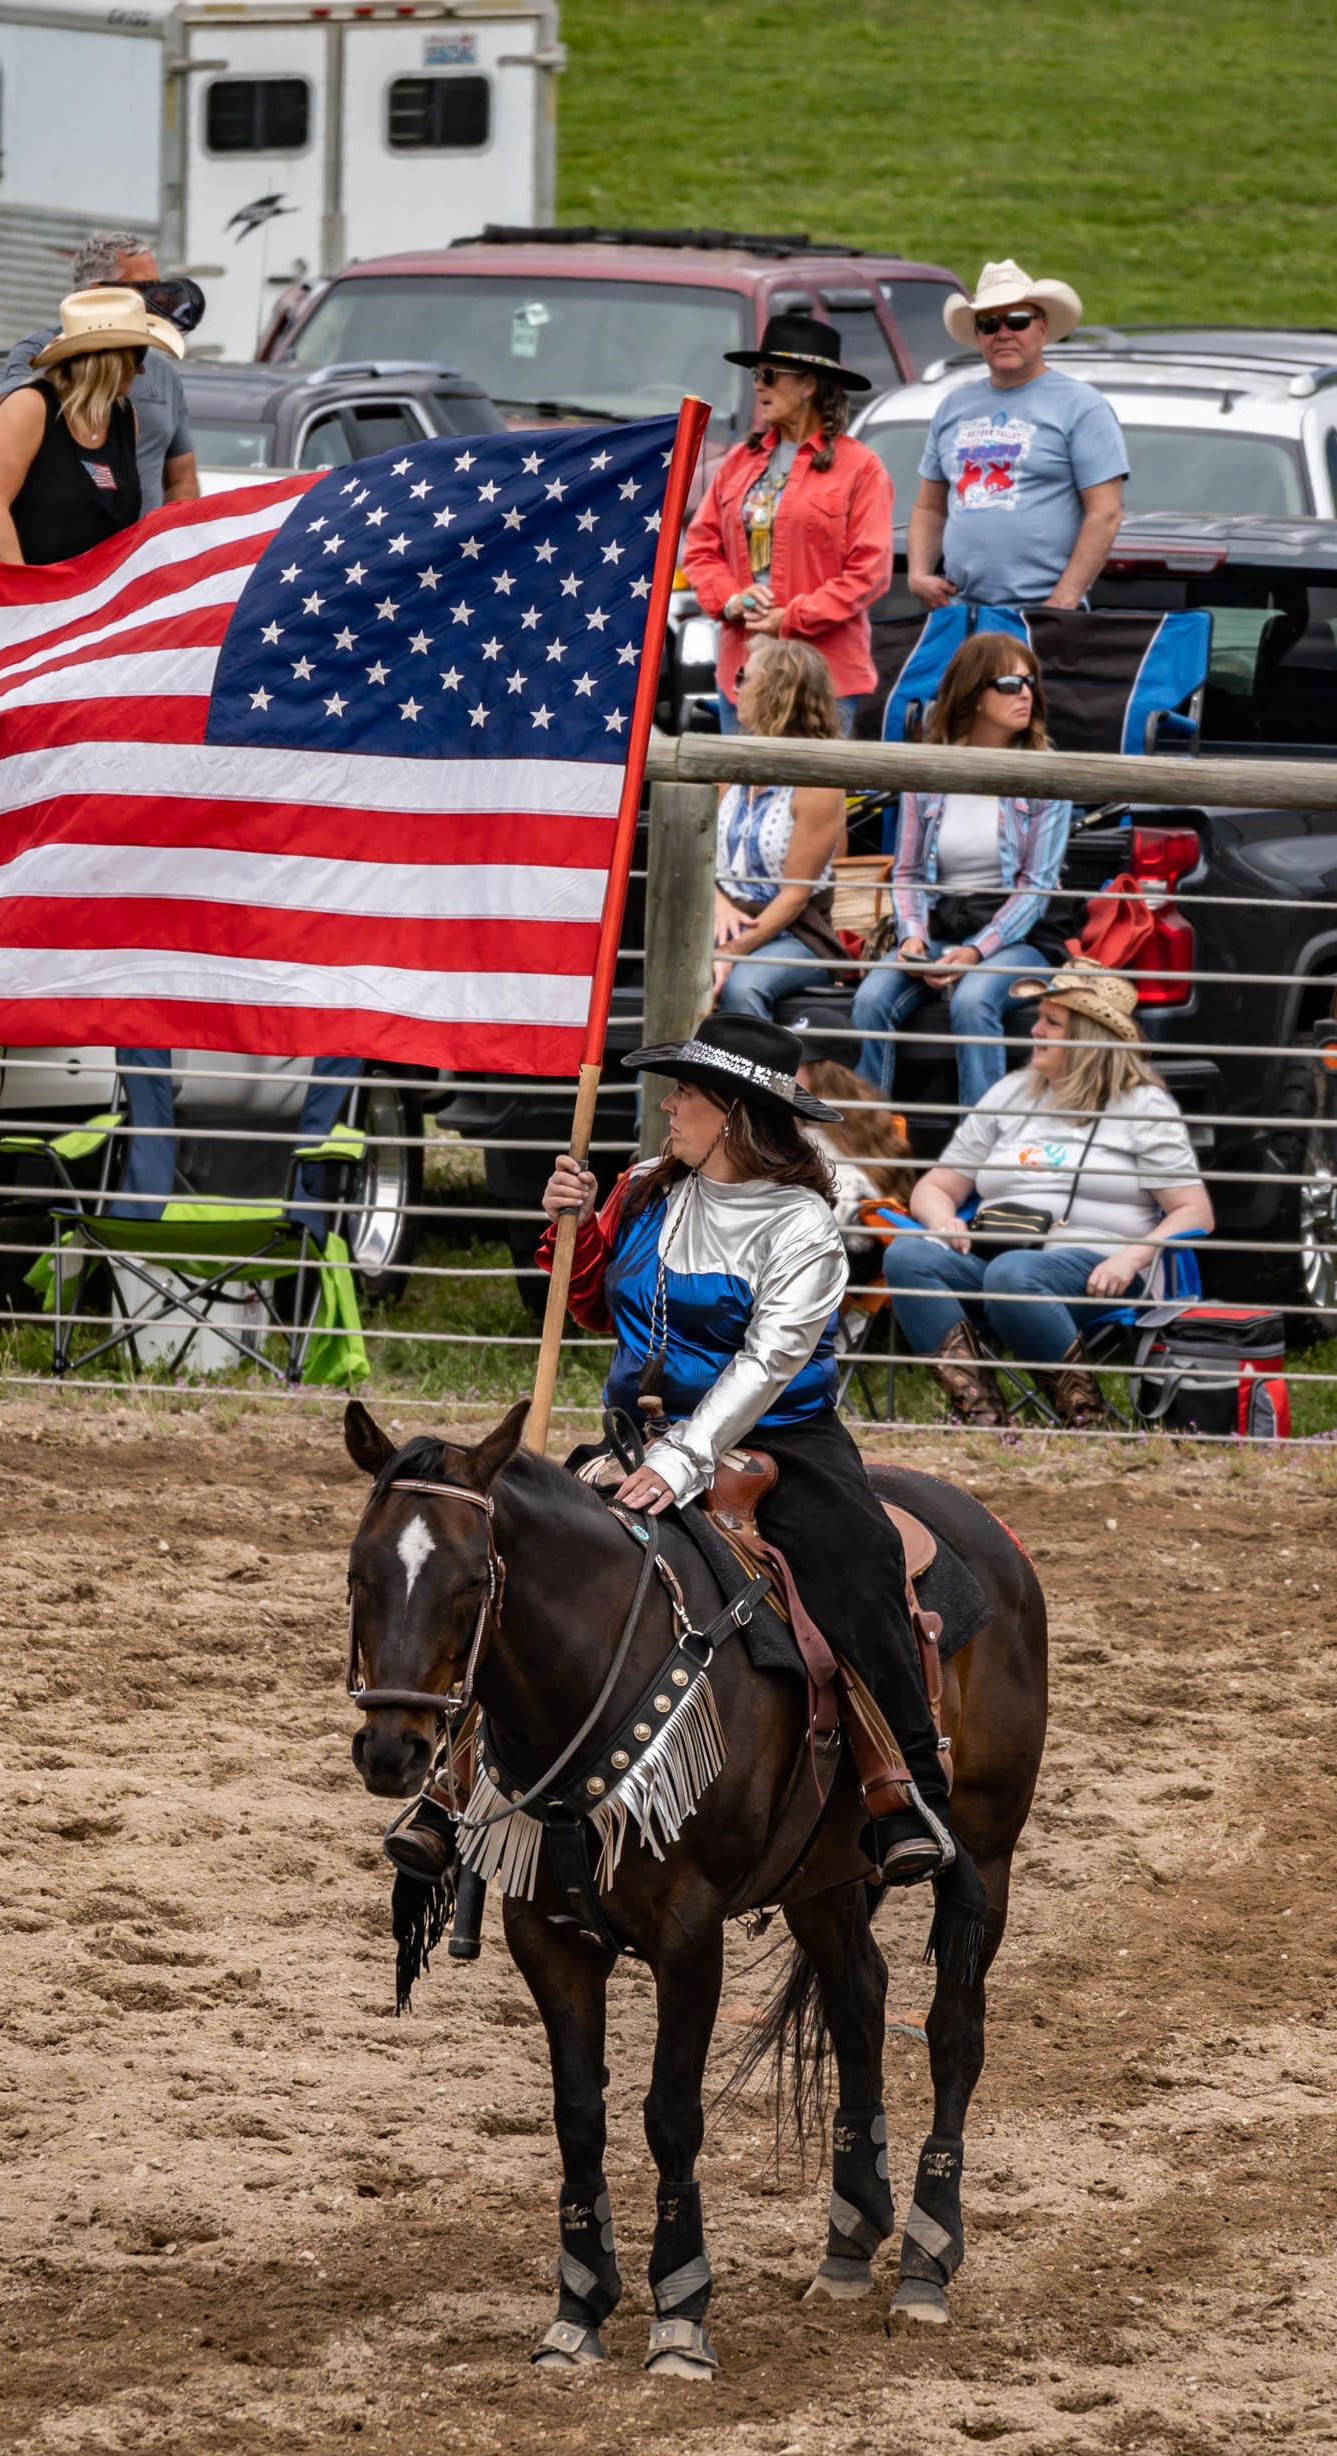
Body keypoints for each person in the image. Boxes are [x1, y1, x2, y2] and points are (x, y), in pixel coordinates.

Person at [538, 1014, 955, 1888]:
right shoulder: (649, 1186)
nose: (670, 1107)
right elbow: (594, 1310)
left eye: (685, 1094)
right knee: (515, 1543)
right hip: (638, 1435)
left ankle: (904, 1785)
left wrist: (683, 1462)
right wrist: (571, 1226)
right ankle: (456, 1785)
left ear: (732, 1113)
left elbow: (768, 1363)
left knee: (858, 1556)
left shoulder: (804, 1223)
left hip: (781, 1439)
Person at [880, 966, 1212, 1428]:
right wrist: (942, 1219)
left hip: (1099, 1266)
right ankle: (984, 1418)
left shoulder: (1144, 1106)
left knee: (1014, 1273)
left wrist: (1132, 1258)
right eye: (1040, 1018)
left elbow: (1194, 1210)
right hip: (996, 1250)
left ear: (1090, 1038)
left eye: (1052, 1023)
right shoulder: (1011, 1092)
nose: (1034, 1030)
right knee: (909, 1256)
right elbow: (936, 1186)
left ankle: (1086, 1419)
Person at [849, 630, 1073, 1112]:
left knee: (974, 1002)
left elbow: (1035, 890)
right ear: (972, 694)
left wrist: (975, 951)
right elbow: (906, 872)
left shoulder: (1047, 773)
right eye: (1011, 683)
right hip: (938, 930)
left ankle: (979, 1153)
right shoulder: (929, 769)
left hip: (1019, 940)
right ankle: (871, 1153)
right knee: (871, 1000)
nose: (1027, 693)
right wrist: (911, 940)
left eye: (1031, 682)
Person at [682, 314, 892, 735]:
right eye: (756, 374)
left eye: (770, 374)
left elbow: (869, 572)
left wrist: (792, 617)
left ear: (809, 385)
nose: (758, 384)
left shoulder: (861, 468)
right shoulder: (739, 462)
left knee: (813, 797)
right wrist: (732, 600)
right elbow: (700, 548)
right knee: (741, 796)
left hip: (824, 678)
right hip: (744, 672)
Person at [908, 261, 1128, 617]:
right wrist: (918, 574)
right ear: (979, 335)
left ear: (1042, 328)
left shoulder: (1082, 405)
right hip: (961, 612)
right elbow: (930, 507)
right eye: (989, 324)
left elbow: (1106, 512)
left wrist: (1063, 601)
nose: (1003, 332)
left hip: (1042, 615)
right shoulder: (953, 405)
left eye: (1018, 320)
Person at [0, 287, 184, 568]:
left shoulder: (123, 415)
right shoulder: (30, 406)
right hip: (14, 599)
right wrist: (26, 594)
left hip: (86, 601)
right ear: (109, 360)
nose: (143, 369)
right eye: (139, 355)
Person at [0, 234, 200, 515]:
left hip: (138, 553)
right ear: (98, 293)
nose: (159, 299)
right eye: (145, 288)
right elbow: (10, 426)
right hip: (62, 550)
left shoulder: (163, 372)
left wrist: (170, 541)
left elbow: (182, 479)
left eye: (159, 286)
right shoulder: (38, 354)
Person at [709, 640, 849, 1020]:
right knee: (674, 973)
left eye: (743, 677)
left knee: (743, 988)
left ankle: (751, 1081)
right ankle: (664, 1081)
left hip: (794, 933)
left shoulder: (818, 784)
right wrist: (718, 904)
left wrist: (731, 952)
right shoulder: (729, 765)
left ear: (775, 691)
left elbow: (794, 897)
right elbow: (697, 855)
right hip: (722, 919)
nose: (734, 688)